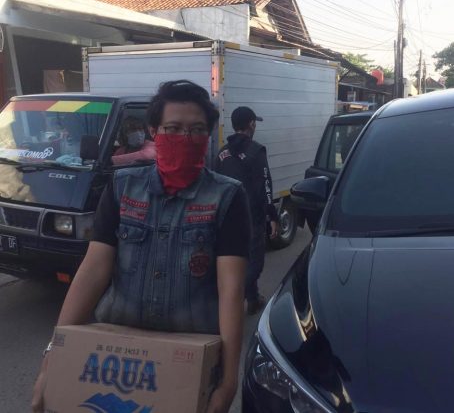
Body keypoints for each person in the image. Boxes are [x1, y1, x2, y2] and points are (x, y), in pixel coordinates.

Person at [32, 80, 251, 413]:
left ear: (208, 134)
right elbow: (92, 272)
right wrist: (52, 358)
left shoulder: (228, 197)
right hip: (112, 355)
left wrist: (228, 381)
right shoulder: (122, 188)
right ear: (154, 131)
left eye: (196, 130)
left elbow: (231, 291)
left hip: (187, 362)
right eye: (173, 129)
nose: (185, 138)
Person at [215, 106, 279, 315]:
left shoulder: (222, 153)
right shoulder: (256, 151)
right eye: (254, 123)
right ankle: (234, 299)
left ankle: (252, 298)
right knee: (255, 263)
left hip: (226, 217)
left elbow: (215, 184)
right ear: (251, 124)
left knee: (235, 257)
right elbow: (265, 185)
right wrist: (272, 215)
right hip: (252, 217)